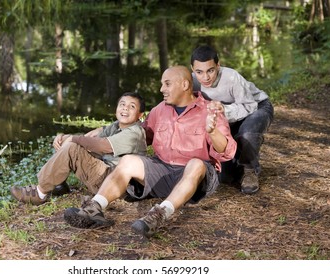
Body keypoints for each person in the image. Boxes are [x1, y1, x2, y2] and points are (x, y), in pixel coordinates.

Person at [63, 66, 237, 238]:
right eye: (162, 84)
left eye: (167, 84)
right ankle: (95, 208)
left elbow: (227, 152)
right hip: (162, 170)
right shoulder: (159, 110)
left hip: (196, 179)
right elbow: (137, 134)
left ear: (184, 85)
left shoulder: (210, 110)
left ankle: (160, 214)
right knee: (130, 161)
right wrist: (104, 130)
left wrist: (213, 132)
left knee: (196, 164)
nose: (162, 89)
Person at [10, 92, 147, 205]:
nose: (125, 108)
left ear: (140, 115)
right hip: (108, 176)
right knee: (68, 143)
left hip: (116, 185)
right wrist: (64, 137)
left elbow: (102, 146)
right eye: (122, 104)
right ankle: (59, 185)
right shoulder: (117, 126)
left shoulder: (135, 132)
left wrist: (72, 139)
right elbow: (92, 142)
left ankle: (39, 194)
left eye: (132, 106)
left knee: (73, 146)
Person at [191, 45, 274, 194]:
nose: (206, 77)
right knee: (226, 178)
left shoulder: (231, 77)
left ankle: (249, 169)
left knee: (247, 134)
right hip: (228, 117)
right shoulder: (191, 82)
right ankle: (240, 155)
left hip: (256, 107)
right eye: (199, 72)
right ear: (192, 69)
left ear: (218, 65)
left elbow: (249, 105)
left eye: (210, 70)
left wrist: (224, 109)